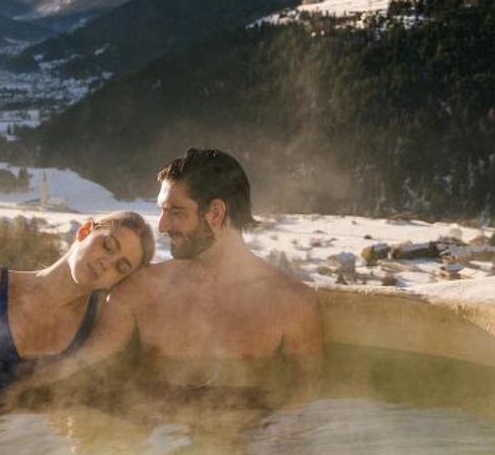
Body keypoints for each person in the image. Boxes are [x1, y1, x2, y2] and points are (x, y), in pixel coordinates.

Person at [64, 148, 322, 396]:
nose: (163, 226)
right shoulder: (140, 290)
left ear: (215, 213)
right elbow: (80, 373)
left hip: (246, 437)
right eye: (162, 211)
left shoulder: (292, 302)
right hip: (155, 436)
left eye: (175, 212)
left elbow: (304, 401)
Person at [0, 210, 154, 396]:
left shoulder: (96, 324)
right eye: (108, 246)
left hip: (10, 442)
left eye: (120, 267)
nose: (107, 263)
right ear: (84, 231)